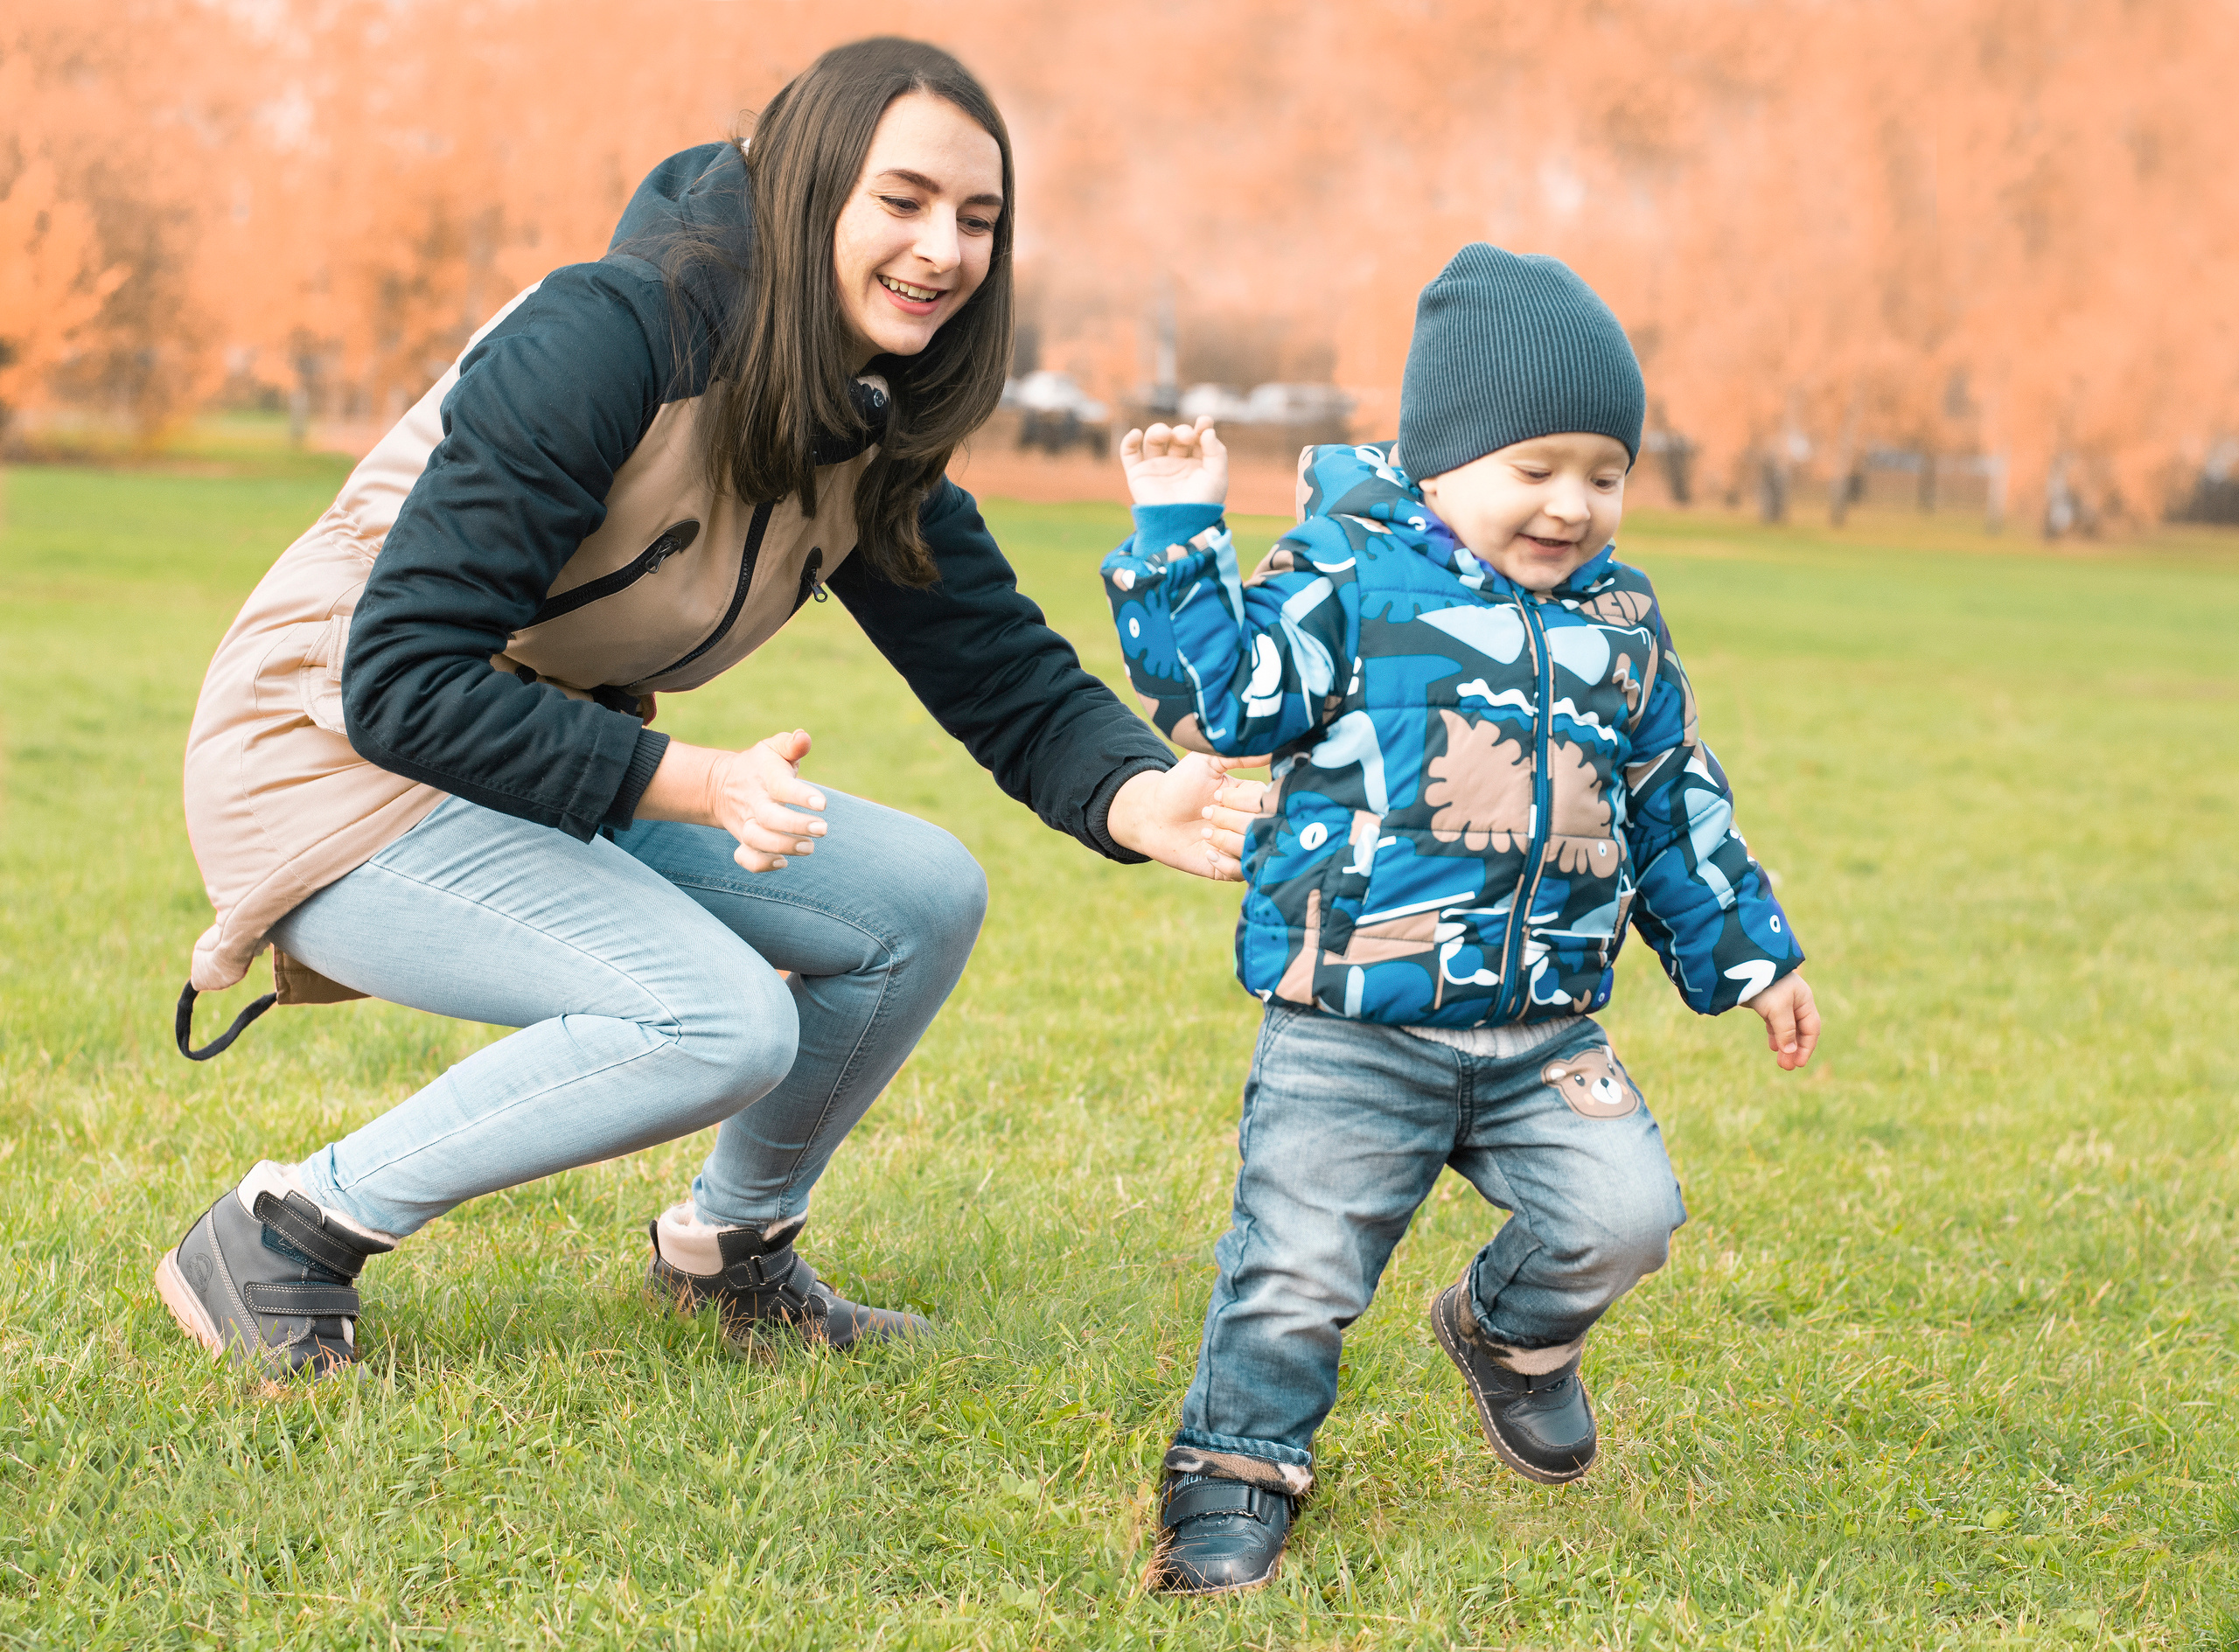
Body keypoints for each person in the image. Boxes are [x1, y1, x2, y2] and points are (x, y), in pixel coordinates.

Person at [158, 37, 1239, 1382]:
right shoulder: (608, 337)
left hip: (523, 751)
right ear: (803, 190)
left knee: (917, 896)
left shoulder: (863, 419)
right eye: (900, 201)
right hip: (326, 759)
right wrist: (698, 782)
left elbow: (1004, 675)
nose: (944, 249)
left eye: (979, 218)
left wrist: (1146, 796)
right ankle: (289, 1224)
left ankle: (729, 1251)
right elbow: (399, 682)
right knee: (723, 1021)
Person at [1096, 245, 1823, 1593]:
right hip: (1352, 1023)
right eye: (1534, 467)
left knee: (1628, 1212)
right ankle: (1235, 1473)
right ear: (1439, 461)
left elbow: (1669, 797)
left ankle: (1509, 1335)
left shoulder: (1621, 622)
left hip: (1544, 1027)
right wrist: (1178, 532)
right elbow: (1231, 698)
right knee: (1297, 1269)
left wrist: (1753, 950)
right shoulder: (1351, 577)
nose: (1571, 504)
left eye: (1604, 474)